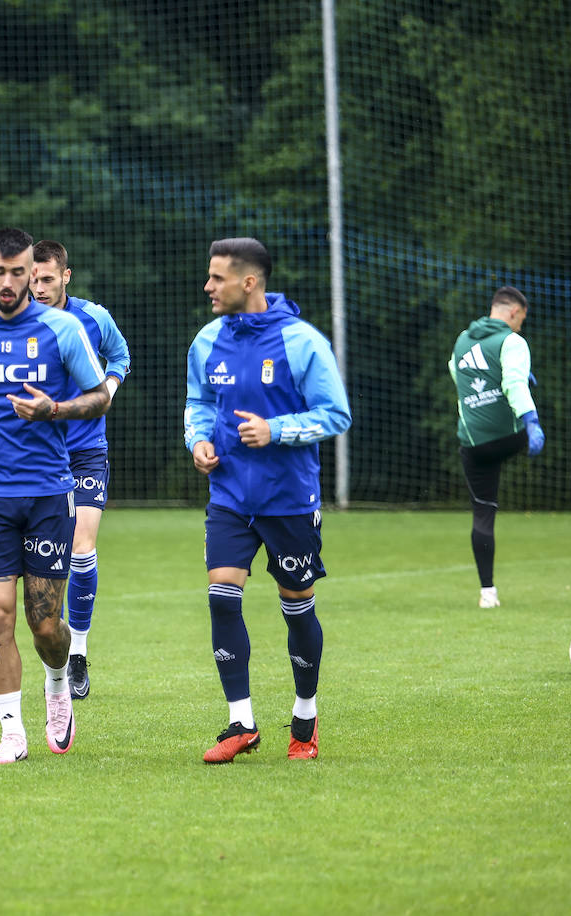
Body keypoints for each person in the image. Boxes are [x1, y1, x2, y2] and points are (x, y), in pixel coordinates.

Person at [0, 228, 110, 764]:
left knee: (44, 624)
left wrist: (53, 410)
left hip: (46, 495)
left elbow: (100, 395)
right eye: (0, 271)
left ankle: (57, 682)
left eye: (20, 273)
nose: (10, 282)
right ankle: (12, 734)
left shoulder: (61, 329)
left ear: (33, 273)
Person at [184, 237, 350, 763]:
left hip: (289, 500)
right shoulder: (207, 341)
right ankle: (241, 722)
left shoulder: (301, 343)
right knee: (220, 593)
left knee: (296, 605)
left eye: (217, 278)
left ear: (248, 282)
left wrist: (276, 429)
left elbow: (336, 415)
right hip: (230, 495)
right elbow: (198, 403)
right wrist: (199, 442)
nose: (208, 286)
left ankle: (305, 715)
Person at [29, 240, 131, 699]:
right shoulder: (14, 323)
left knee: (81, 549)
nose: (39, 287)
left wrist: (108, 388)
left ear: (66, 276)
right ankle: (46, 642)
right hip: (34, 455)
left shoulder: (93, 318)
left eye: (48, 279)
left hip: (85, 449)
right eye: (33, 279)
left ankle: (78, 654)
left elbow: (121, 355)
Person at [449, 285, 543, 609]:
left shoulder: (462, 340)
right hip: (510, 437)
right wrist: (531, 422)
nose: (520, 326)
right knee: (527, 412)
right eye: (521, 320)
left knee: (483, 512)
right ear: (515, 312)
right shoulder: (512, 341)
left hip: (473, 443)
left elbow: (457, 379)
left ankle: (487, 593)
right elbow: (513, 383)